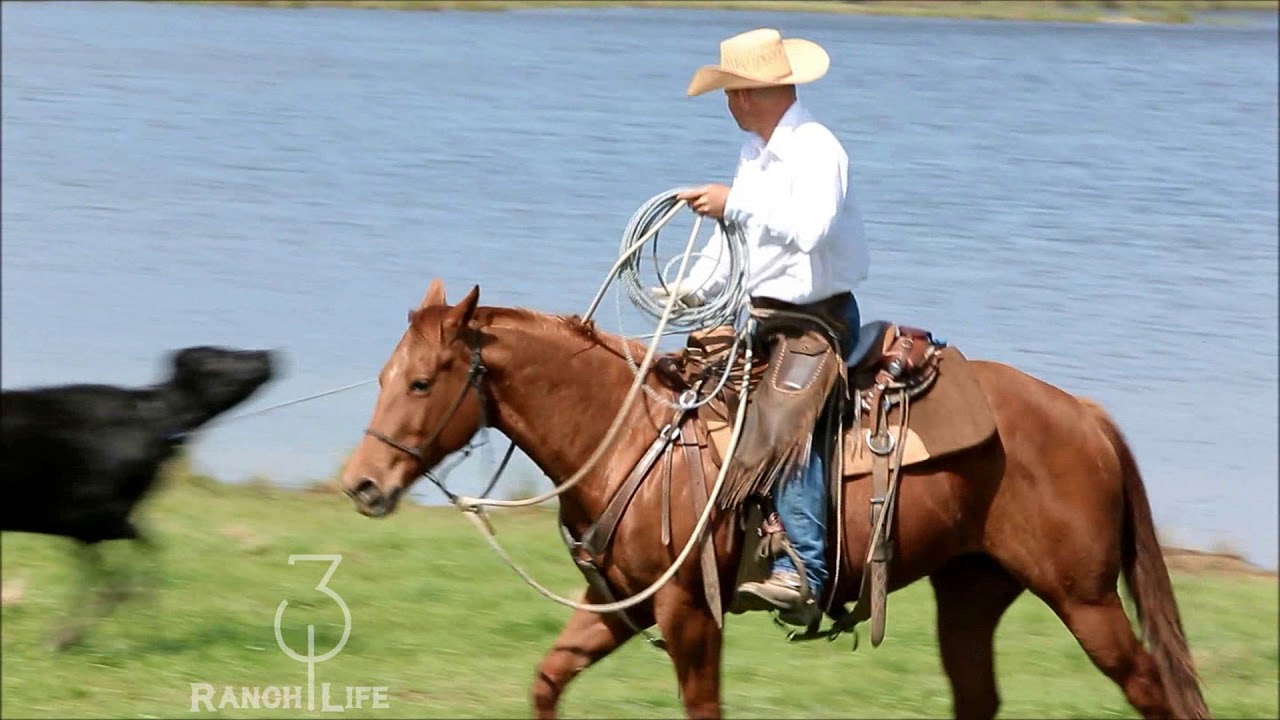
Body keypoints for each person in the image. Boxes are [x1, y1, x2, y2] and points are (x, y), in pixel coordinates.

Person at [652, 28, 870, 626]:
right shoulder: (756, 152)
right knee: (689, 395)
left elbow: (811, 229)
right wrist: (689, 287)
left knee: (781, 421)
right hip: (764, 318)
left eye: (729, 92)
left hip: (818, 322)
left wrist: (734, 203)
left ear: (747, 94)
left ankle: (803, 570)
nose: (727, 104)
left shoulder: (817, 149)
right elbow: (737, 244)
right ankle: (708, 564)